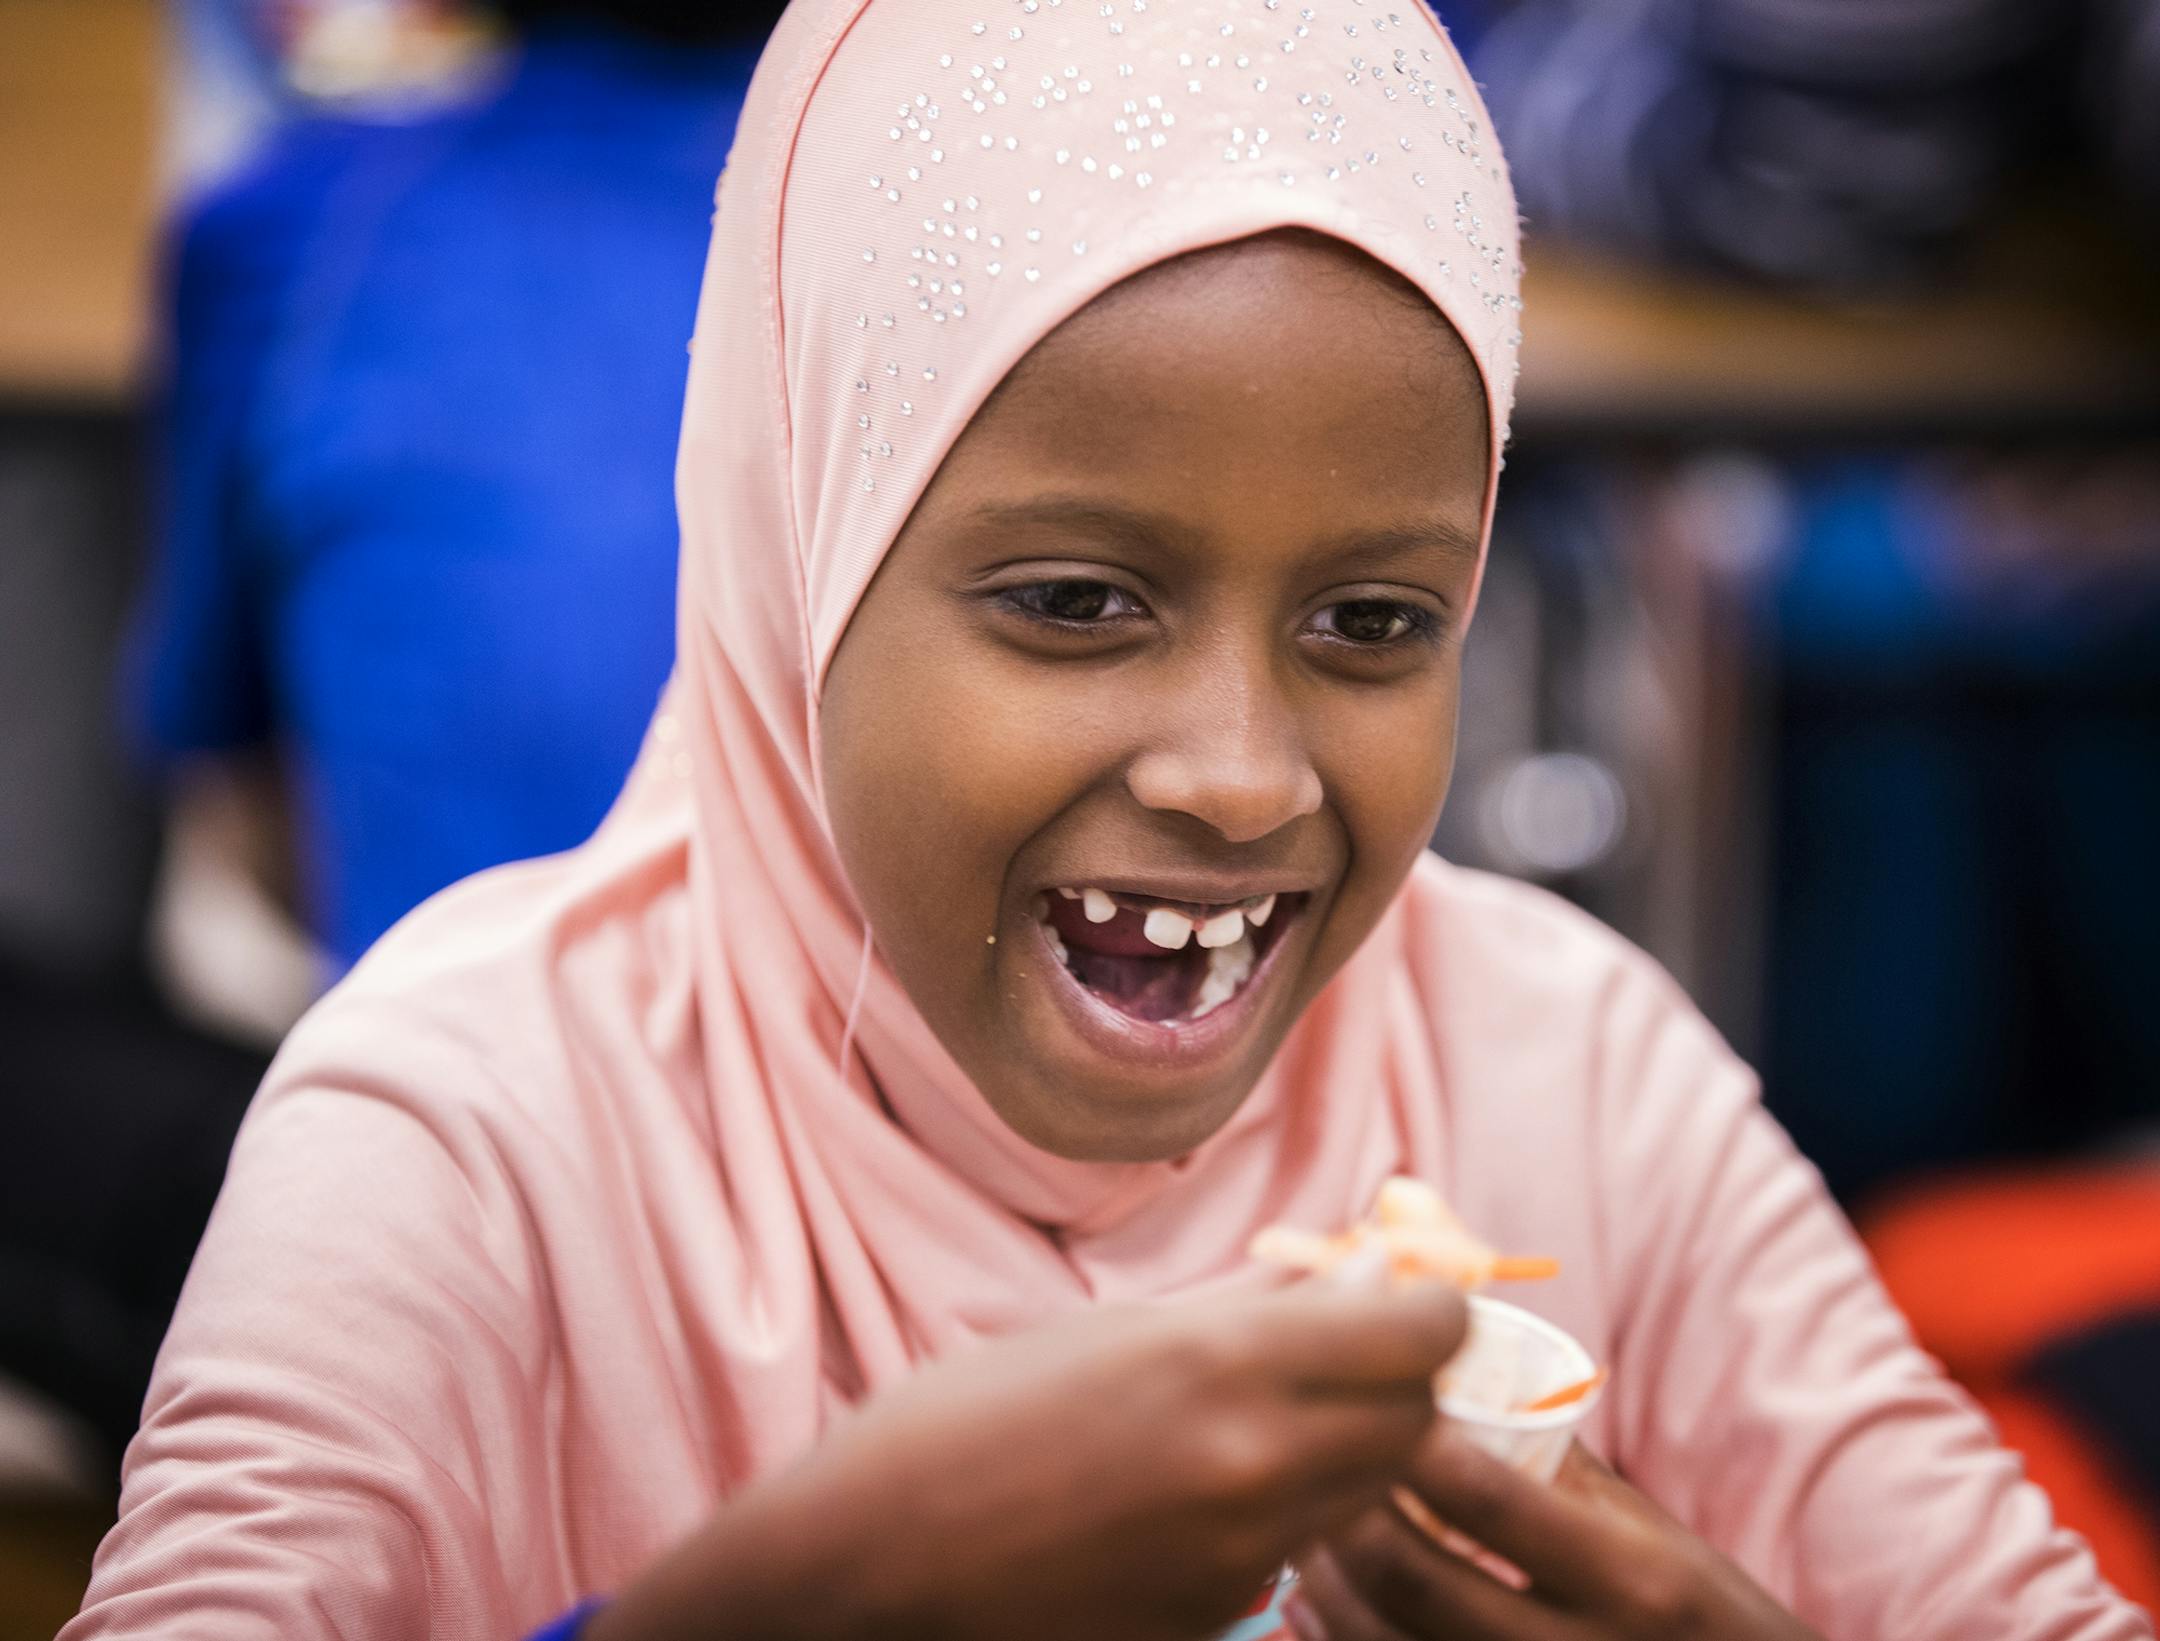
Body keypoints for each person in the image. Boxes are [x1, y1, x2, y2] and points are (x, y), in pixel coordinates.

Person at [67, 0, 2152, 1635]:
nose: (1244, 773)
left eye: (1371, 619)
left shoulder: (1566, 1069)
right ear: (805, 560)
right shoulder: (475, 1121)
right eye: (1077, 602)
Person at [133, 0, 776, 977]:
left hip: (435, 1066)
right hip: (864, 1079)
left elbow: (226, 774)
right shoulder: (940, 224)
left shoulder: (304, 228)